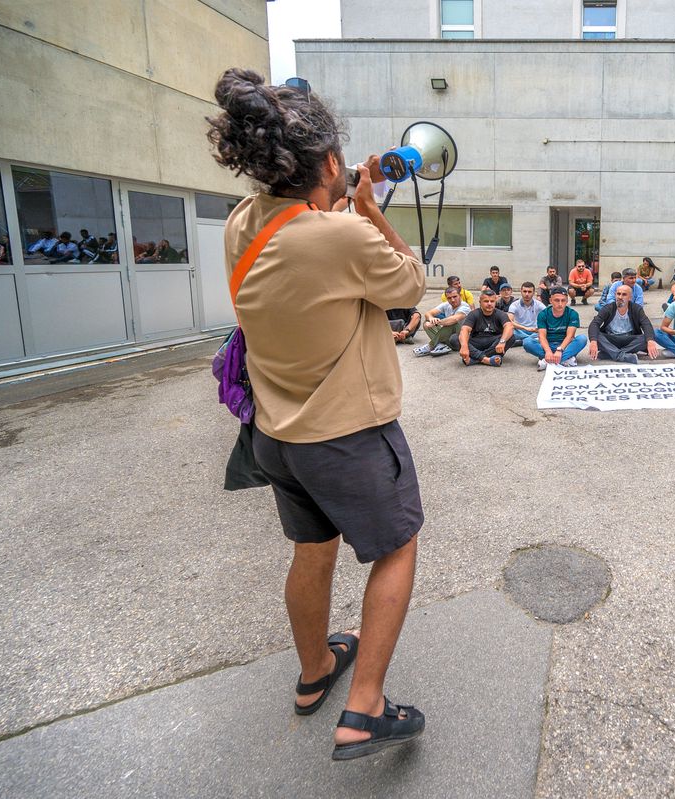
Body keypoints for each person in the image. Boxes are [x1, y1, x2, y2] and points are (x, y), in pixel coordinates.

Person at [208, 67, 427, 760]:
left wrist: (336, 197)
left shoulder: (244, 223)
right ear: (330, 162)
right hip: (348, 438)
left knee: (313, 547)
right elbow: (409, 286)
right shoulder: (343, 236)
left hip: (278, 436)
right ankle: (364, 708)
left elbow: (302, 231)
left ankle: (314, 674)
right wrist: (369, 206)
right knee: (396, 547)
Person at [588, 284, 659, 364]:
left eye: (624, 294)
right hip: (611, 339)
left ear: (630, 298)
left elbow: (646, 324)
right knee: (596, 336)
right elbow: (595, 323)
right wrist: (593, 341)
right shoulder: (608, 308)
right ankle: (622, 356)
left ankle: (610, 353)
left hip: (629, 339)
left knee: (647, 338)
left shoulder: (636, 309)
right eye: (618, 294)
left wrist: (650, 341)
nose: (620, 297)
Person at [524, 286, 587, 369]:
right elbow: (542, 336)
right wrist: (548, 351)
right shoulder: (543, 314)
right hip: (548, 344)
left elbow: (570, 336)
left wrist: (559, 350)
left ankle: (548, 361)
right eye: (557, 300)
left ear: (567, 301)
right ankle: (565, 360)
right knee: (527, 342)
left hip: (566, 345)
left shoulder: (572, 314)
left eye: (563, 300)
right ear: (550, 300)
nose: (560, 304)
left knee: (582, 339)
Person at [453, 290, 513, 367]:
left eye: (492, 301)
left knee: (511, 337)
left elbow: (509, 326)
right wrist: (464, 346)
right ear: (480, 302)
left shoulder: (500, 313)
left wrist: (502, 342)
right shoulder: (474, 314)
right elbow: (465, 329)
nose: (489, 304)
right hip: (476, 342)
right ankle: (487, 359)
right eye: (486, 301)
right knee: (455, 338)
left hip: (494, 343)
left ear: (495, 302)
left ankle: (475, 359)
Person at [415, 286, 470, 356]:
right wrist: (431, 319)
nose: (452, 300)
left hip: (460, 339)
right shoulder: (446, 305)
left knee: (452, 324)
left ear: (460, 296)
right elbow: (428, 313)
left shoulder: (465, 307)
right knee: (426, 322)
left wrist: (436, 323)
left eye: (455, 296)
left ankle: (430, 346)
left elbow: (454, 319)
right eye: (449, 298)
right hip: (449, 335)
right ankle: (441, 345)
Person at [507, 282, 546, 346]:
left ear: (533, 293)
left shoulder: (539, 304)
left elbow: (549, 316)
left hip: (534, 331)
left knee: (545, 331)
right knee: (508, 331)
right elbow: (509, 322)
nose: (527, 294)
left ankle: (522, 341)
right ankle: (531, 340)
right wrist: (525, 328)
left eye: (529, 292)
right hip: (519, 331)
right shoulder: (514, 305)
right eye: (524, 291)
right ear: (521, 292)